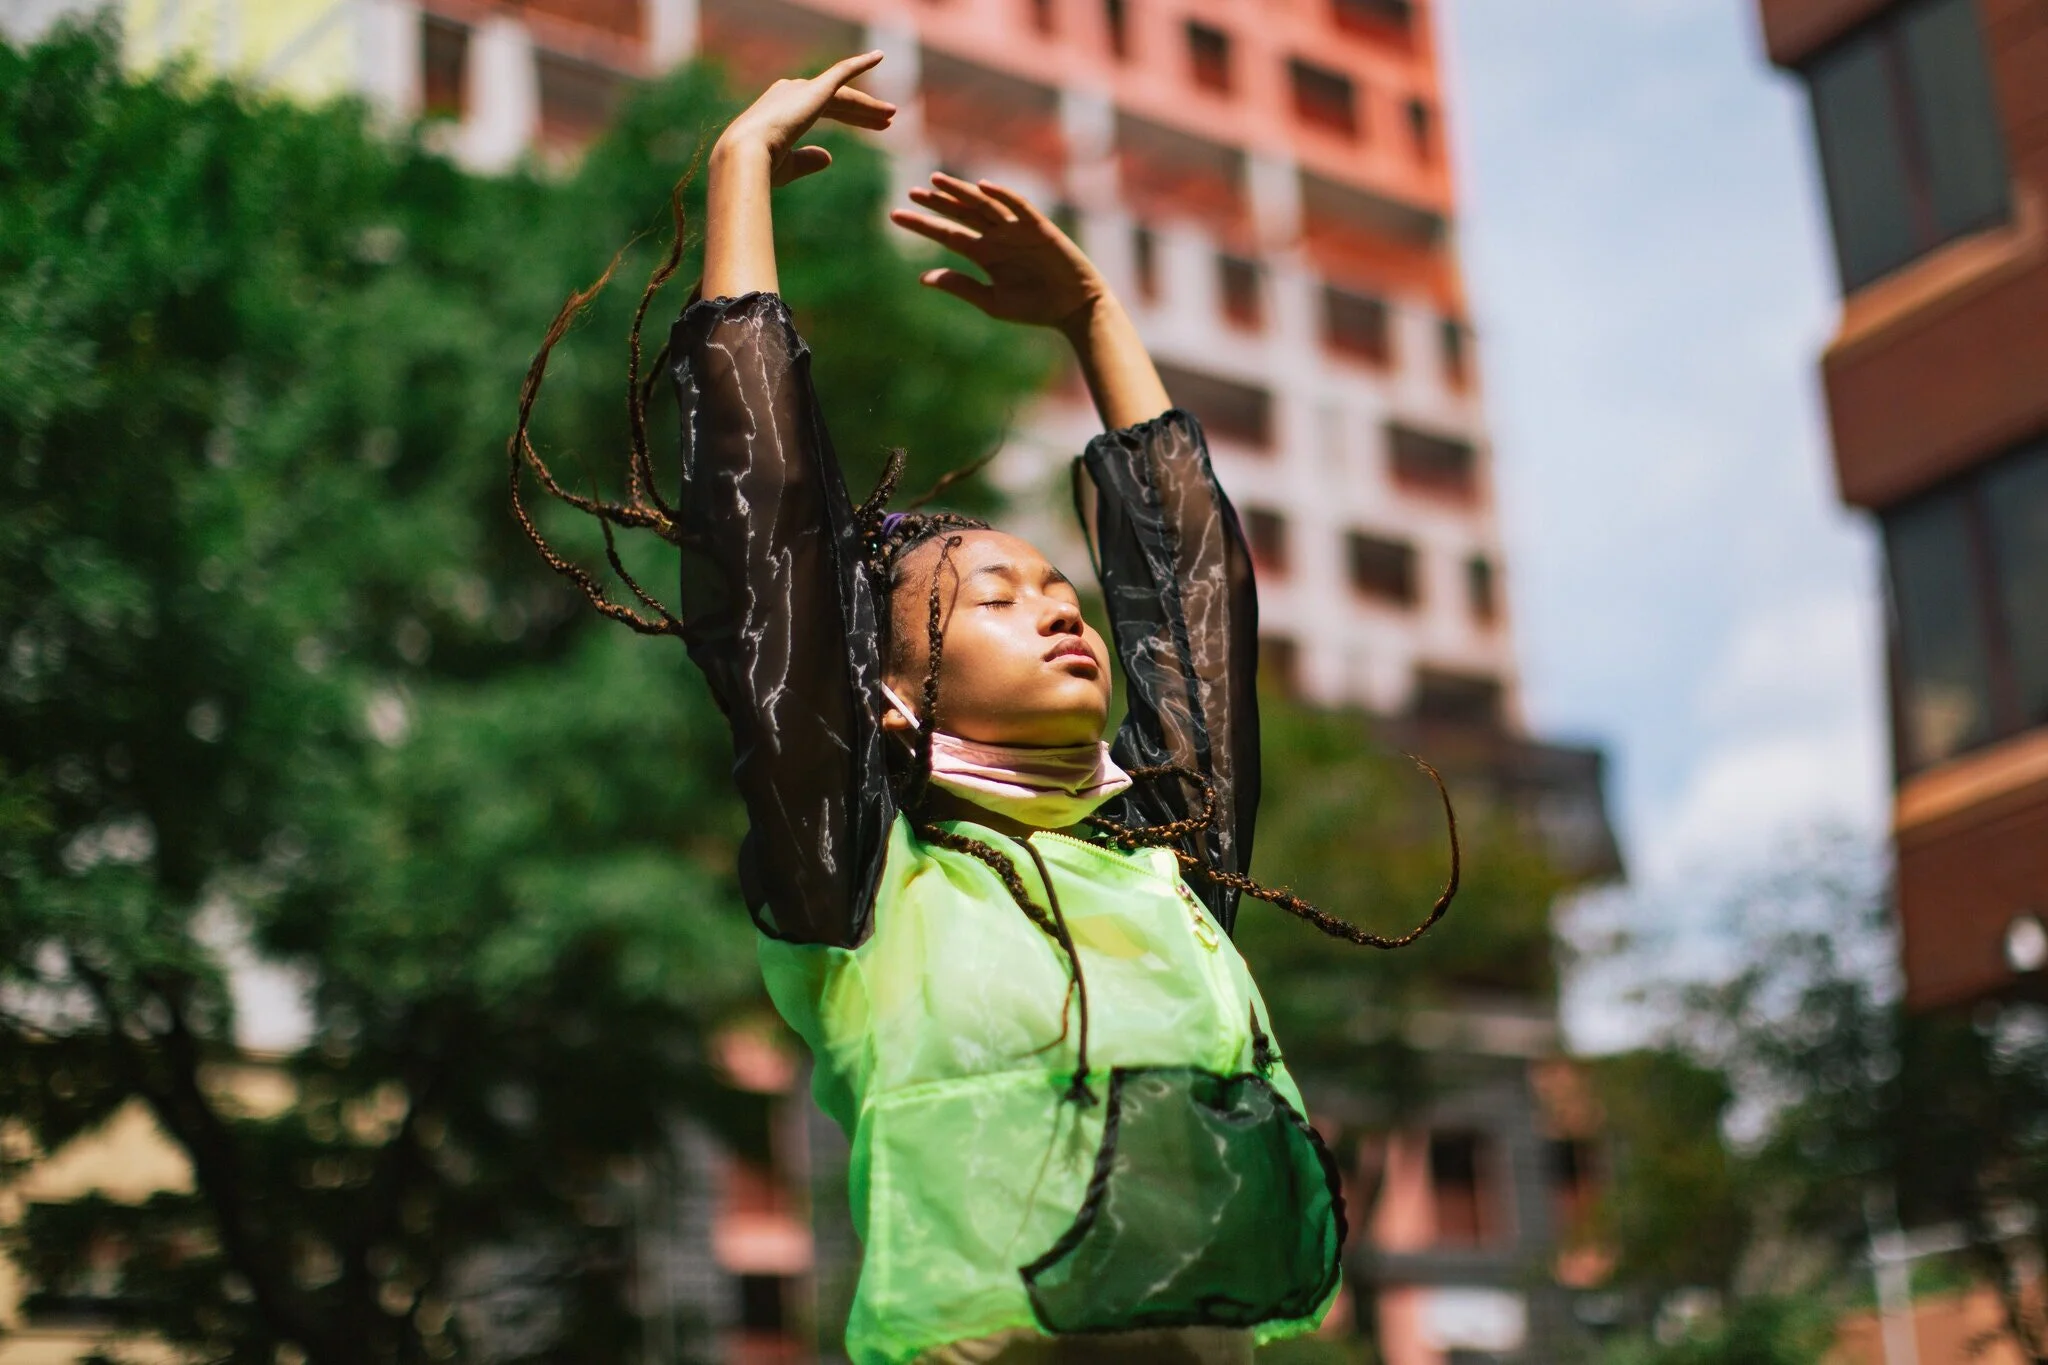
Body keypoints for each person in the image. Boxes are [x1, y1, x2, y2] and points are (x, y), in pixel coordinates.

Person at [511, 52, 1456, 1365]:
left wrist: (1094, 318)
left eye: (1057, 585)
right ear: (886, 696)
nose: (1060, 608)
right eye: (997, 599)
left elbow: (1189, 615)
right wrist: (738, 179)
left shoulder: (1158, 866)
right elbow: (768, 555)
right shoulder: (858, 880)